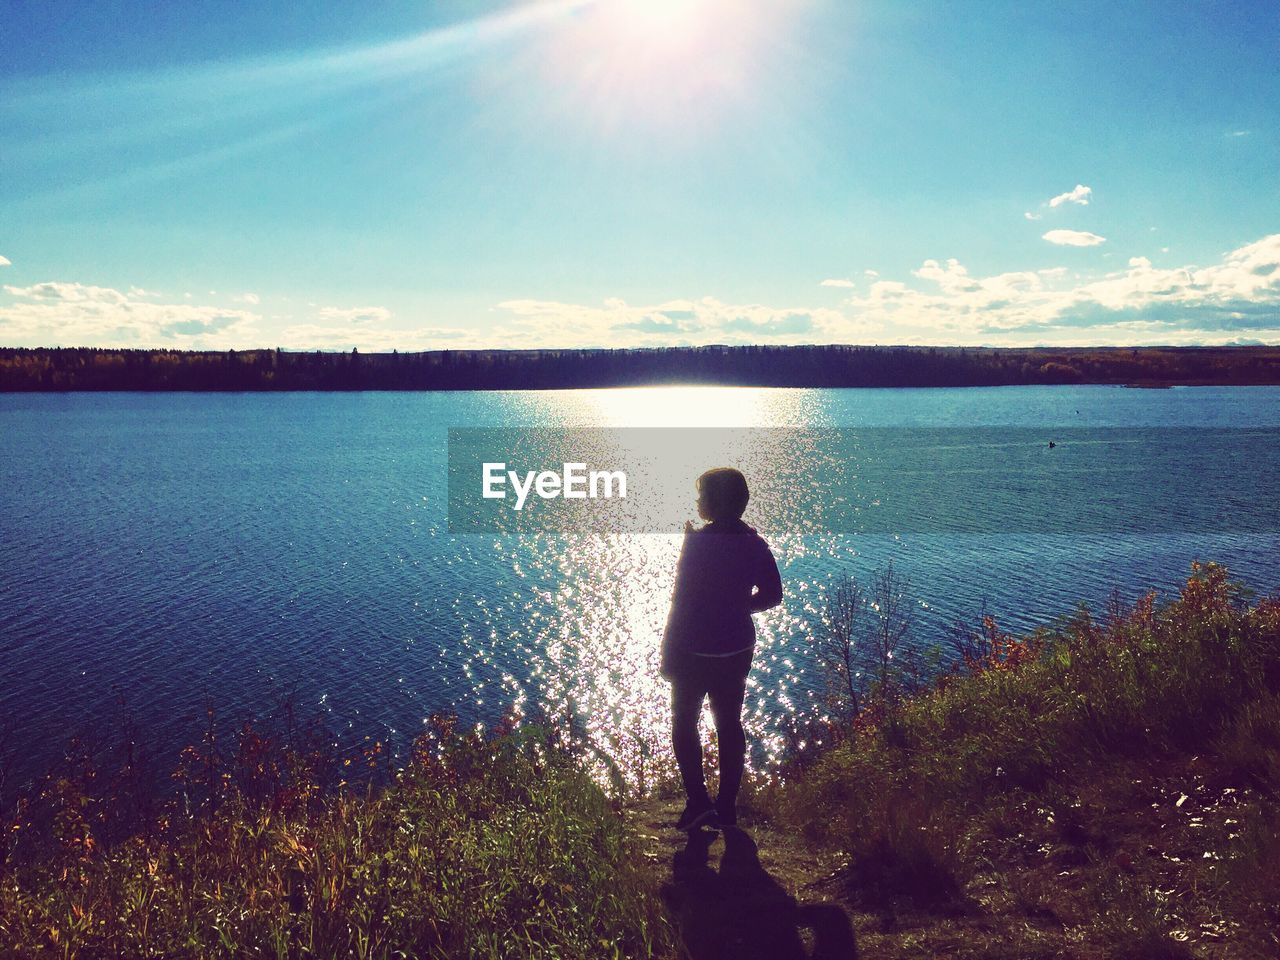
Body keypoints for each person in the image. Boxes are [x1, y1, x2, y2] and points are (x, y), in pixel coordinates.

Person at [661, 467, 783, 831]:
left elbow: (681, 603)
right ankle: (726, 804)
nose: (697, 502)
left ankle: (698, 802)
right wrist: (736, 605)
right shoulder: (755, 543)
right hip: (736, 648)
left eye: (701, 496)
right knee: (729, 723)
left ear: (715, 502)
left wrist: (669, 652)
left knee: (684, 723)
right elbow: (772, 596)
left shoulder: (698, 543)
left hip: (694, 649)